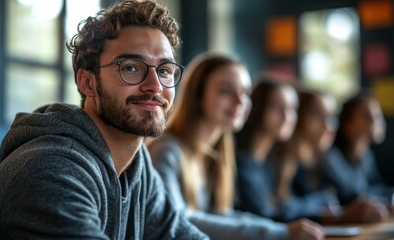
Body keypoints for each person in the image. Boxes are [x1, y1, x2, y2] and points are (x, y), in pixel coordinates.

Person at [0, 1, 208, 239]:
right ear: (87, 82)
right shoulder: (52, 170)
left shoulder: (137, 167)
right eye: (131, 68)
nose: (155, 85)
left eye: (164, 70)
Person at [148, 54, 324, 240]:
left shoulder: (215, 154)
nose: (240, 102)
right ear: (198, 95)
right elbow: (179, 221)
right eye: (226, 91)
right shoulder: (167, 150)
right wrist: (280, 233)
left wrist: (281, 229)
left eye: (245, 93)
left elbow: (220, 215)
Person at [276, 90, 388, 224]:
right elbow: (280, 210)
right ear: (299, 117)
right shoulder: (286, 162)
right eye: (317, 115)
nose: (327, 125)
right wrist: (328, 205)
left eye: (331, 117)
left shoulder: (316, 161)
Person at [234, 77, 299, 222]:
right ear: (258, 107)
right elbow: (264, 213)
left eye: (292, 109)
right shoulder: (240, 161)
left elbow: (283, 206)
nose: (286, 116)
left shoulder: (273, 162)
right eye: (277, 107)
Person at [322, 90, 394, 208]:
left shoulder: (366, 156)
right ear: (347, 124)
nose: (376, 122)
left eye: (378, 116)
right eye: (368, 116)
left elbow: (376, 187)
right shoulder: (332, 157)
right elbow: (352, 195)